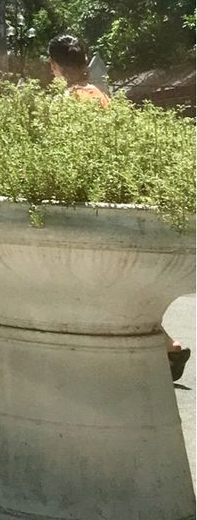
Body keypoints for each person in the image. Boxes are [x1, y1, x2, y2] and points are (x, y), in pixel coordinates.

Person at [48, 33, 190, 383]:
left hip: (81, 205)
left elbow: (60, 156)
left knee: (89, 288)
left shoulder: (65, 103)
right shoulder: (101, 98)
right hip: (113, 199)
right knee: (117, 289)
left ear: (54, 66)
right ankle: (167, 346)